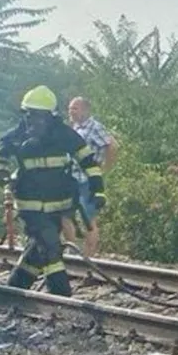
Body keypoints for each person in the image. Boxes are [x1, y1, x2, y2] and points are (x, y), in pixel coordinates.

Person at [0, 86, 105, 297]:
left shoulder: (64, 135)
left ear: (51, 116)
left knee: (39, 252)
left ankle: (13, 291)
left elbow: (89, 162)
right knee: (51, 247)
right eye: (31, 115)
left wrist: (98, 191)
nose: (35, 122)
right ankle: (62, 297)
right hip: (30, 206)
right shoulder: (17, 135)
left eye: (40, 116)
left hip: (59, 206)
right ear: (25, 114)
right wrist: (3, 176)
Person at [61, 96, 117, 257]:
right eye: (70, 108)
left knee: (88, 219)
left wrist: (105, 169)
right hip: (72, 179)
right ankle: (72, 252)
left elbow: (112, 146)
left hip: (87, 181)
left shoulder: (95, 127)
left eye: (75, 108)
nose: (71, 111)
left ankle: (88, 257)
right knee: (65, 215)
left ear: (85, 110)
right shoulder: (75, 128)